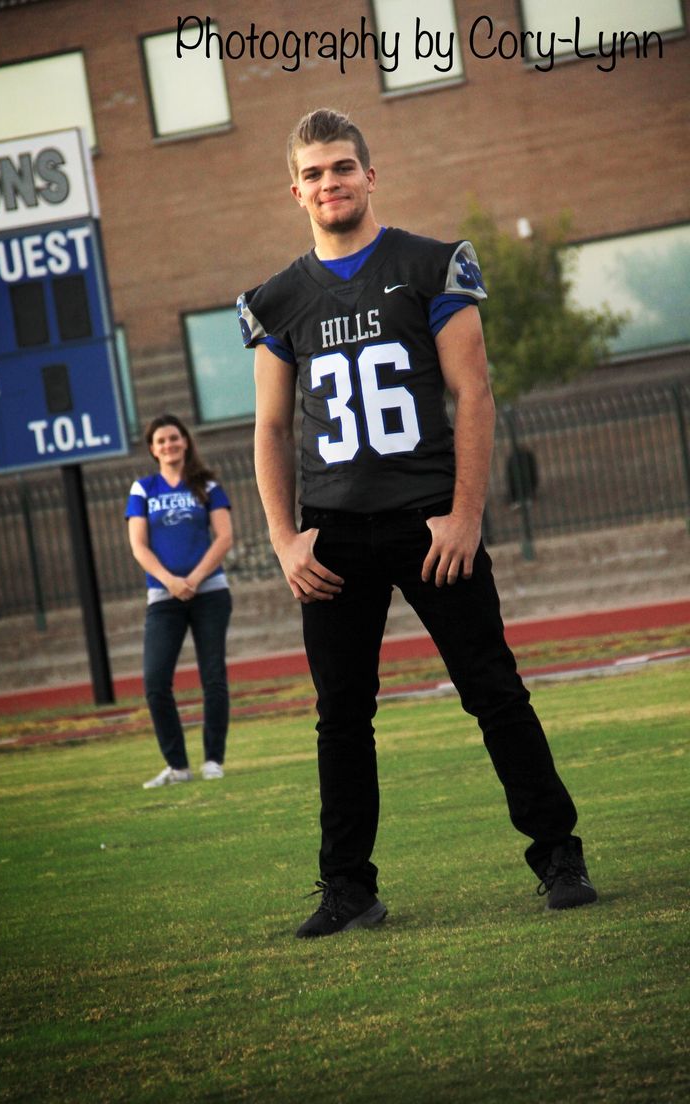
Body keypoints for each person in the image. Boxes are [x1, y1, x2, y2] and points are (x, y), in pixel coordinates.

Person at [237, 108, 597, 938]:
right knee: (341, 717)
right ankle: (347, 888)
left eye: (343, 168)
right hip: (332, 530)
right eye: (315, 173)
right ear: (295, 190)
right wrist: (285, 538)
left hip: (432, 520)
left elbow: (474, 392)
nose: (331, 183)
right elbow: (268, 428)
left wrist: (466, 515)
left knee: (495, 692)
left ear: (371, 174)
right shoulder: (278, 299)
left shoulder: (431, 265)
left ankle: (559, 855)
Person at [126, 413, 233, 787]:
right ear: (153, 450)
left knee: (213, 678)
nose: (168, 445)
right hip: (163, 596)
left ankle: (213, 760)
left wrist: (194, 579)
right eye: (161, 441)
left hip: (210, 593)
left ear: (185, 442)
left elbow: (223, 537)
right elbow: (138, 545)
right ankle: (178, 766)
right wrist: (172, 581)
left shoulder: (208, 485)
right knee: (155, 682)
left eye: (174, 438)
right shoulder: (143, 489)